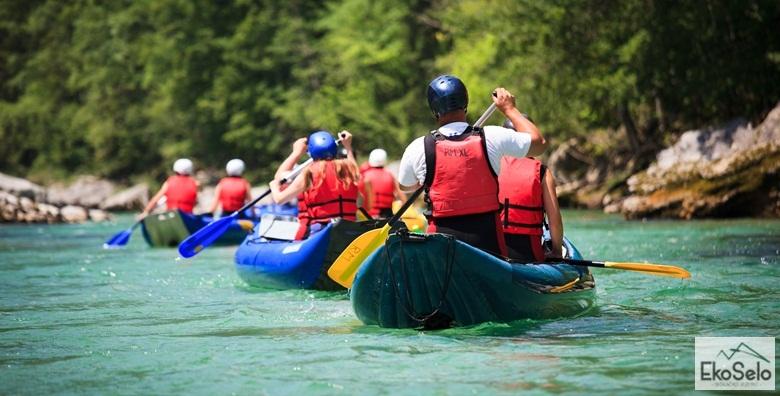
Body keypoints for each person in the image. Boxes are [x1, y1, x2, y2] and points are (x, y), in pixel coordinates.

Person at [397, 75, 548, 256]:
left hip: (442, 248)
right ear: (465, 103)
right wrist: (509, 109)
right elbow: (539, 144)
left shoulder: (418, 148)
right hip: (488, 246)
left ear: (434, 110)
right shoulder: (492, 137)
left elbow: (405, 186)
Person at [270, 130, 366, 240]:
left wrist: (296, 153)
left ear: (311, 152)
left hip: (321, 233)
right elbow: (359, 201)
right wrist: (348, 146)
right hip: (349, 230)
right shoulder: (348, 169)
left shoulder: (308, 173)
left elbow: (279, 198)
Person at [498, 119, 563, 262]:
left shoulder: (490, 164)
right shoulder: (542, 172)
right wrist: (557, 251)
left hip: (492, 249)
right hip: (528, 253)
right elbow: (554, 219)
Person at [360, 148, 407, 219]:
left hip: (368, 216)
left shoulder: (365, 175)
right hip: (387, 216)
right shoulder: (390, 176)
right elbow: (403, 199)